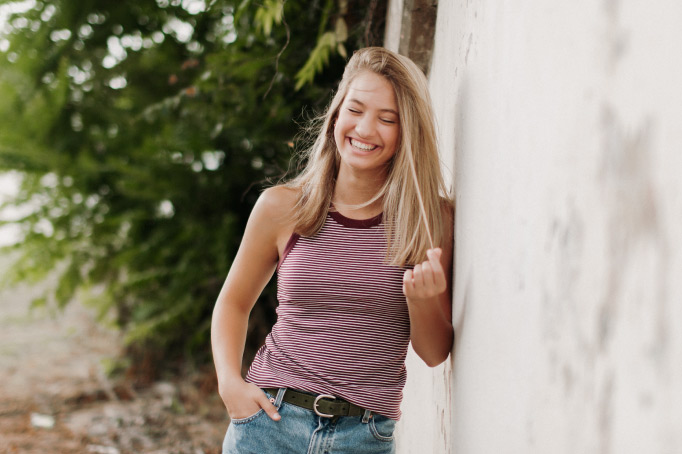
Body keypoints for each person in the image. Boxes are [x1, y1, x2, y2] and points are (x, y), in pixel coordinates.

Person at [211, 46, 453, 454]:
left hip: (364, 436)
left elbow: (433, 353)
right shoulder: (283, 206)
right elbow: (233, 303)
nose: (365, 128)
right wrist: (230, 384)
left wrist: (423, 300)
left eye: (387, 119)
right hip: (269, 424)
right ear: (336, 114)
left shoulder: (430, 219)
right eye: (355, 110)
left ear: (408, 131)